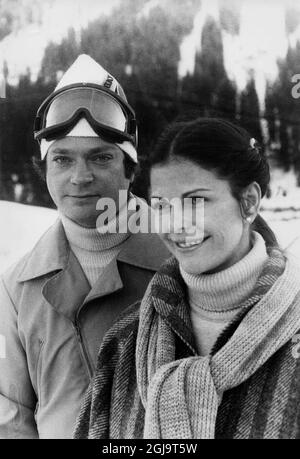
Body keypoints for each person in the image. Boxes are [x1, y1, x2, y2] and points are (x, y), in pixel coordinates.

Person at [74, 118, 300, 439]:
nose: (176, 224)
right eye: (162, 206)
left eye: (195, 201)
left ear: (248, 201)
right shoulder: (127, 341)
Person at [0, 55, 169, 439]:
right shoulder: (15, 289)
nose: (80, 177)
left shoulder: (182, 256)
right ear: (45, 170)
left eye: (100, 157)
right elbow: (10, 418)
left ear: (130, 167)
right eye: (62, 159)